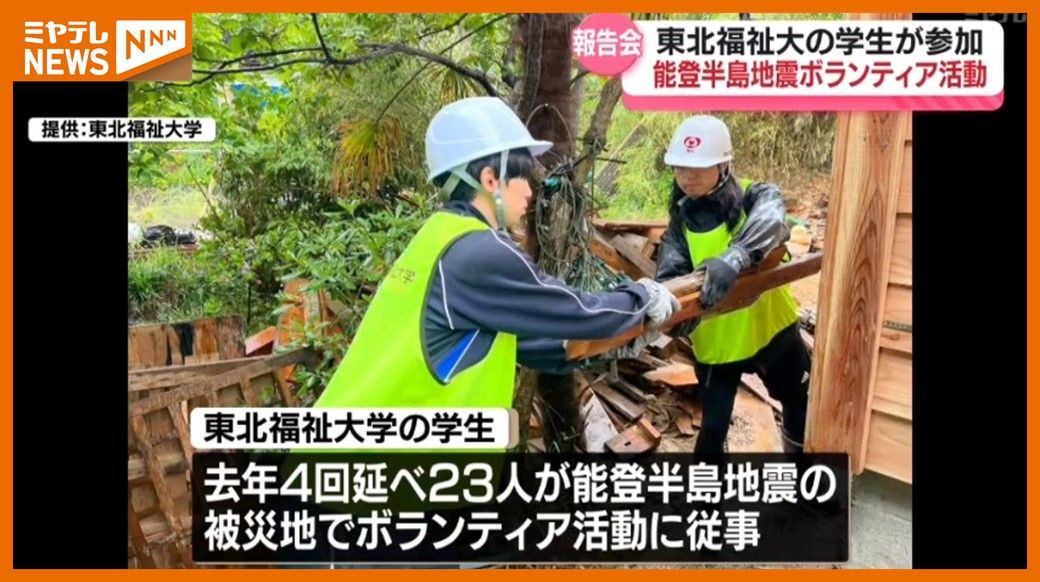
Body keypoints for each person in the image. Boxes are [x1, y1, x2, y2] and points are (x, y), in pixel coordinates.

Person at [315, 96, 679, 414]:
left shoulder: (437, 238)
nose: (530, 193)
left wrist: (618, 340)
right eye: (522, 178)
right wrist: (642, 298)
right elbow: (572, 309)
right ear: (490, 180)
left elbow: (512, 344)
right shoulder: (481, 251)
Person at [655, 115, 812, 454]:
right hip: (718, 346)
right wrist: (676, 318)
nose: (688, 175)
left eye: (699, 166)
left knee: (800, 401)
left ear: (725, 164)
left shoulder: (756, 196)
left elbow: (772, 221)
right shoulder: (678, 229)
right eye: (681, 167)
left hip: (770, 331)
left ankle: (807, 483)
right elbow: (670, 280)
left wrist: (735, 257)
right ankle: (708, 499)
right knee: (712, 428)